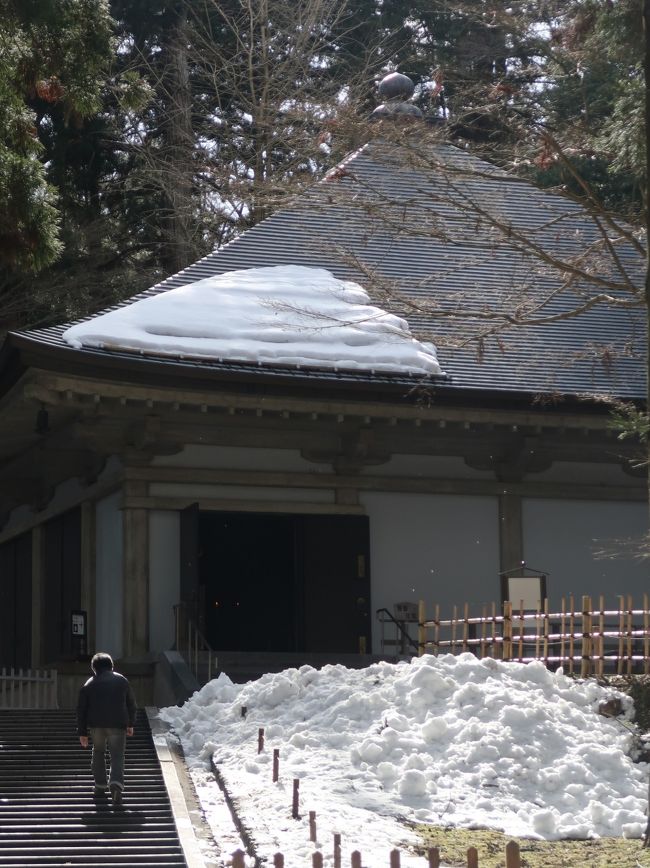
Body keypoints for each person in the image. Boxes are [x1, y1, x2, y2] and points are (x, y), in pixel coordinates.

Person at [77, 652, 137, 805]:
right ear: (111, 665)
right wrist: (131, 723)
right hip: (118, 724)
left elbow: (81, 709)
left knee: (98, 752)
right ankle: (116, 784)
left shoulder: (89, 684)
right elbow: (131, 703)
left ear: (94, 668)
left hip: (96, 726)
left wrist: (82, 732)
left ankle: (100, 785)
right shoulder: (122, 681)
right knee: (117, 755)